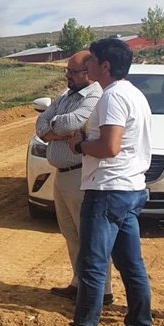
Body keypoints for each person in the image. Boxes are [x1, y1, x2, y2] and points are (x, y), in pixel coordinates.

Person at [36, 37, 153, 326]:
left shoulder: (113, 97)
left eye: (91, 62)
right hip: (129, 189)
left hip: (107, 190)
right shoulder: (135, 94)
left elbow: (110, 148)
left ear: (104, 66)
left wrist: (80, 146)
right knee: (132, 267)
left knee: (92, 267)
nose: (85, 67)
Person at [34, 50, 111, 305]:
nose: (67, 75)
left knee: (89, 236)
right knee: (71, 234)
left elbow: (73, 123)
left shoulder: (95, 96)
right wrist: (55, 130)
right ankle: (79, 283)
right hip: (63, 176)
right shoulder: (67, 96)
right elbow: (41, 124)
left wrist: (52, 129)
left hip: (81, 175)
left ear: (89, 73)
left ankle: (102, 291)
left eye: (72, 72)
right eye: (67, 70)